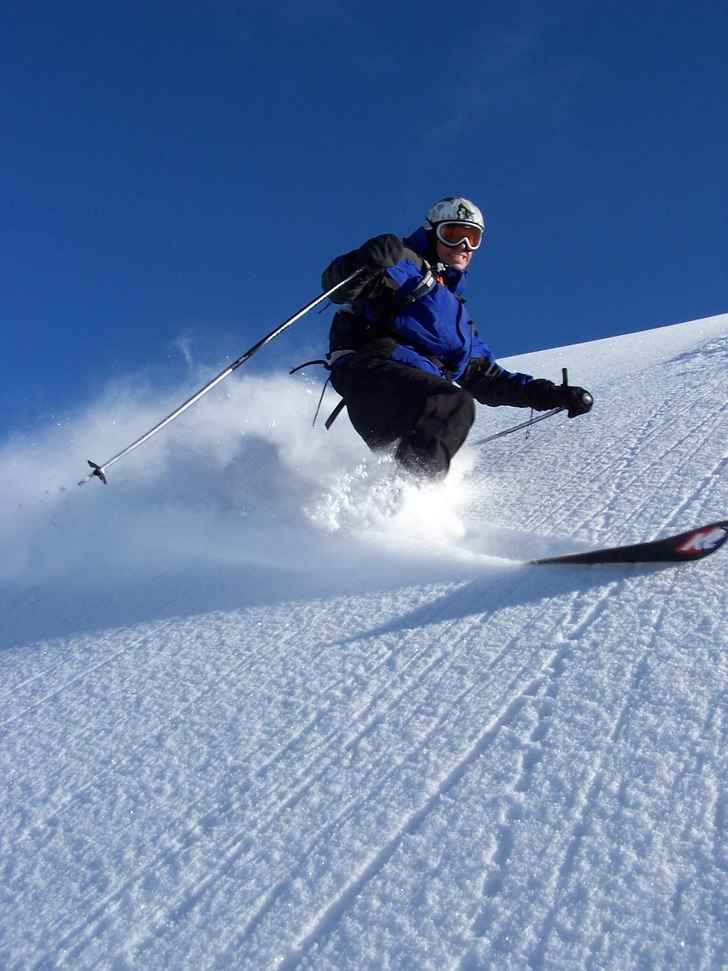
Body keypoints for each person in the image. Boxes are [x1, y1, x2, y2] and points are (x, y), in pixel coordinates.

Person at [321, 197, 593, 480]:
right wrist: (366, 260)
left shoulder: (459, 321)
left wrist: (550, 394)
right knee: (451, 405)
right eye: (452, 234)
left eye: (471, 238)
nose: (463, 246)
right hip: (377, 378)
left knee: (445, 414)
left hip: (414, 396)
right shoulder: (406, 265)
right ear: (432, 233)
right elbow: (340, 287)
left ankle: (386, 497)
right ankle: (412, 493)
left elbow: (489, 379)